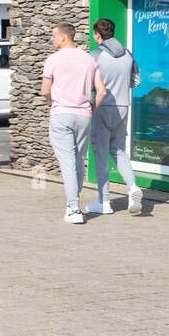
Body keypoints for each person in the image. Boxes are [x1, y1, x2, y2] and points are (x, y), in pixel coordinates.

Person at [42, 23, 106, 225]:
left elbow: (45, 90)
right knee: (78, 160)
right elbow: (102, 91)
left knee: (68, 163)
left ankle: (73, 208)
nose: (51, 39)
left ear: (63, 38)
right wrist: (91, 109)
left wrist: (53, 102)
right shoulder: (88, 59)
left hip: (62, 114)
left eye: (53, 36)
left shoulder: (53, 59)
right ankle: (74, 203)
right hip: (84, 116)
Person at [88, 19, 142, 215]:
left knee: (101, 154)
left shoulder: (95, 55)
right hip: (123, 106)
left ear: (97, 35)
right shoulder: (127, 53)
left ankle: (103, 202)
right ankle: (133, 187)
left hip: (101, 107)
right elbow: (136, 81)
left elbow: (88, 84)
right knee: (118, 150)